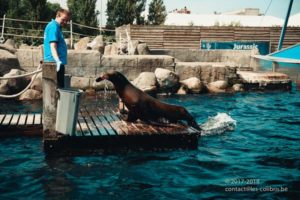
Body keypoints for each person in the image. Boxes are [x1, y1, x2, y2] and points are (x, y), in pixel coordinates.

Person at [43, 8, 71, 88]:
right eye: (64, 19)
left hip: (54, 62)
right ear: (58, 16)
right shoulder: (53, 27)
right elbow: (53, 46)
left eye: (67, 21)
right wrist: (58, 61)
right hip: (54, 63)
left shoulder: (56, 27)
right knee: (58, 89)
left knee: (57, 89)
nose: (65, 22)